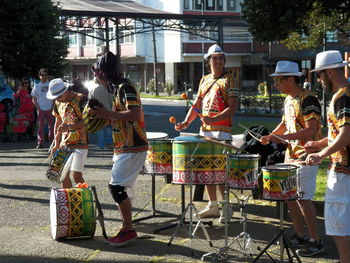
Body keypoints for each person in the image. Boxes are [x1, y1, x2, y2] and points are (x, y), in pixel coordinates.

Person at [260, 61, 324, 257]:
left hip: (307, 157)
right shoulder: (289, 99)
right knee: (289, 197)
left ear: (290, 79)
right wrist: (272, 135)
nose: (276, 84)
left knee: (304, 198)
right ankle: (300, 233)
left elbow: (312, 130)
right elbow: (284, 123)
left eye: (279, 80)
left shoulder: (308, 99)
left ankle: (316, 240)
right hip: (291, 155)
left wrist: (283, 138)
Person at [174, 44, 238, 223]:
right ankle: (212, 205)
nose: (218, 61)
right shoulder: (204, 80)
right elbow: (197, 105)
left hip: (222, 132)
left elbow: (233, 107)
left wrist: (214, 118)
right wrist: (186, 122)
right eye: (214, 58)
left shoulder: (229, 80)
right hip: (205, 131)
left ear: (224, 61)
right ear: (208, 61)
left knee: (220, 171)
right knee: (207, 170)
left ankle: (226, 206)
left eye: (220, 58)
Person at [90, 51, 148, 247]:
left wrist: (107, 113)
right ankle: (127, 226)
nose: (98, 79)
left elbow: (134, 113)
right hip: (125, 145)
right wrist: (103, 116)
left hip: (132, 145)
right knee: (122, 188)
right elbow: (121, 116)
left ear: (106, 74)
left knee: (116, 187)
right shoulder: (117, 89)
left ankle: (129, 230)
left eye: (99, 75)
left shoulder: (125, 87)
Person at [305, 50, 350, 263]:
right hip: (344, 171)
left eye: (320, 74)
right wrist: (319, 143)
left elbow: (346, 135)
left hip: (343, 172)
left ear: (329, 72)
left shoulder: (342, 97)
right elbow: (337, 134)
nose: (319, 79)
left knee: (338, 224)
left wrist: (320, 155)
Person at [47, 78, 88, 188]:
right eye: (55, 97)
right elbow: (58, 122)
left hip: (80, 142)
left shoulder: (81, 99)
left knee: (76, 175)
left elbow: (88, 120)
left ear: (66, 90)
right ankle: (70, 202)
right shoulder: (57, 102)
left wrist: (70, 126)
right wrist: (56, 144)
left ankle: (85, 199)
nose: (57, 99)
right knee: (61, 174)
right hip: (64, 144)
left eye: (59, 96)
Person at [31, 69, 55, 148]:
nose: (44, 76)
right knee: (40, 127)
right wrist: (38, 108)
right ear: (39, 76)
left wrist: (53, 106)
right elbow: (33, 99)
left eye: (45, 75)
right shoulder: (37, 86)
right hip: (41, 109)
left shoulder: (50, 85)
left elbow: (55, 97)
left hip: (50, 108)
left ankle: (52, 142)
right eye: (42, 75)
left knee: (51, 127)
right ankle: (40, 143)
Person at [88, 77, 113, 150]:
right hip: (108, 112)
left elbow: (90, 103)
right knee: (109, 129)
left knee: (100, 130)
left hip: (98, 113)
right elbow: (112, 101)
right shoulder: (108, 90)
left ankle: (101, 146)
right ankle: (110, 143)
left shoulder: (92, 90)